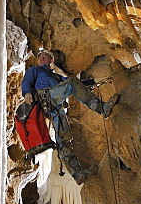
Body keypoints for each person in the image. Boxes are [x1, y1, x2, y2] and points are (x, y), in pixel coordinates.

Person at [21, 50, 117, 183]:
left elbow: (76, 84)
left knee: (64, 139)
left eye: (45, 57)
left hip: (55, 108)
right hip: (46, 98)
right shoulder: (36, 70)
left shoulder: (55, 77)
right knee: (71, 83)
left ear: (51, 61)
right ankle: (101, 108)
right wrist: (27, 93)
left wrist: (95, 81)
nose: (42, 59)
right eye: (40, 57)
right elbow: (27, 81)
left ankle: (77, 173)